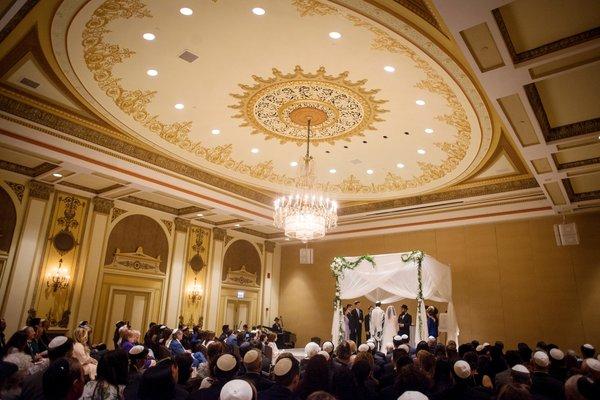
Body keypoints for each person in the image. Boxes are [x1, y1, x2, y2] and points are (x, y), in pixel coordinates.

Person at [20, 336, 73, 400]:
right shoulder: (67, 378)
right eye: (72, 351)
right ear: (67, 355)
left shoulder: (31, 378)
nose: (72, 354)